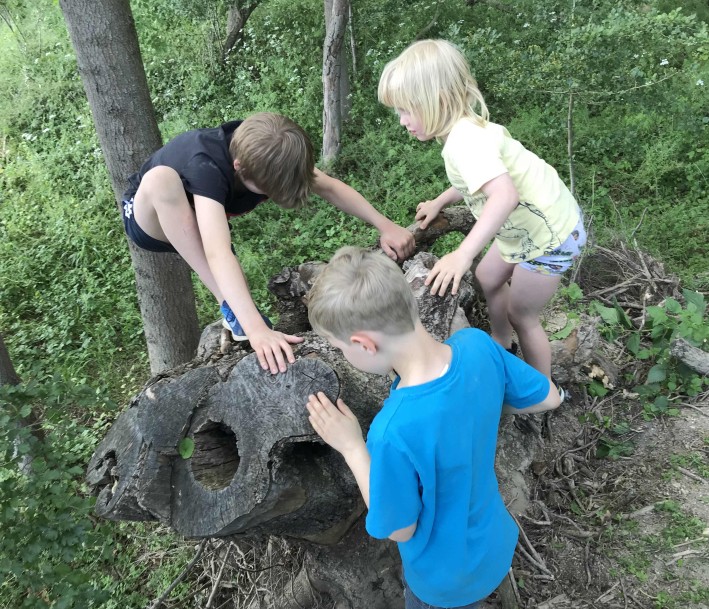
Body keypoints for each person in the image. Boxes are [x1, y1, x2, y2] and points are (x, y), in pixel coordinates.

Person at [305, 246, 561, 609]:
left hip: (444, 581)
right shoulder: (476, 344)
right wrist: (479, 402)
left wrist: (352, 448)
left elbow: (400, 529)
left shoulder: (391, 431)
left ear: (363, 343)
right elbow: (548, 397)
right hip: (494, 542)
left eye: (340, 347)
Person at [121, 112, 415, 375]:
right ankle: (232, 309)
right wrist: (256, 329)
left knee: (213, 235)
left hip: (197, 213)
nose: (271, 197)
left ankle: (236, 307)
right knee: (162, 180)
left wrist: (386, 225)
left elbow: (330, 187)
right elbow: (217, 252)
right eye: (267, 192)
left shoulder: (273, 155)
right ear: (239, 167)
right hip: (150, 216)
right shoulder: (207, 167)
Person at [377, 39, 586, 382]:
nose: (401, 121)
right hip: (529, 229)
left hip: (551, 236)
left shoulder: (465, 141)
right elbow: (477, 180)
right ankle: (502, 342)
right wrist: (439, 202)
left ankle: (542, 392)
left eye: (406, 110)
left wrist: (461, 254)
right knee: (487, 277)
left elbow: (504, 196)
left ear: (436, 101)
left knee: (523, 315)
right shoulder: (462, 131)